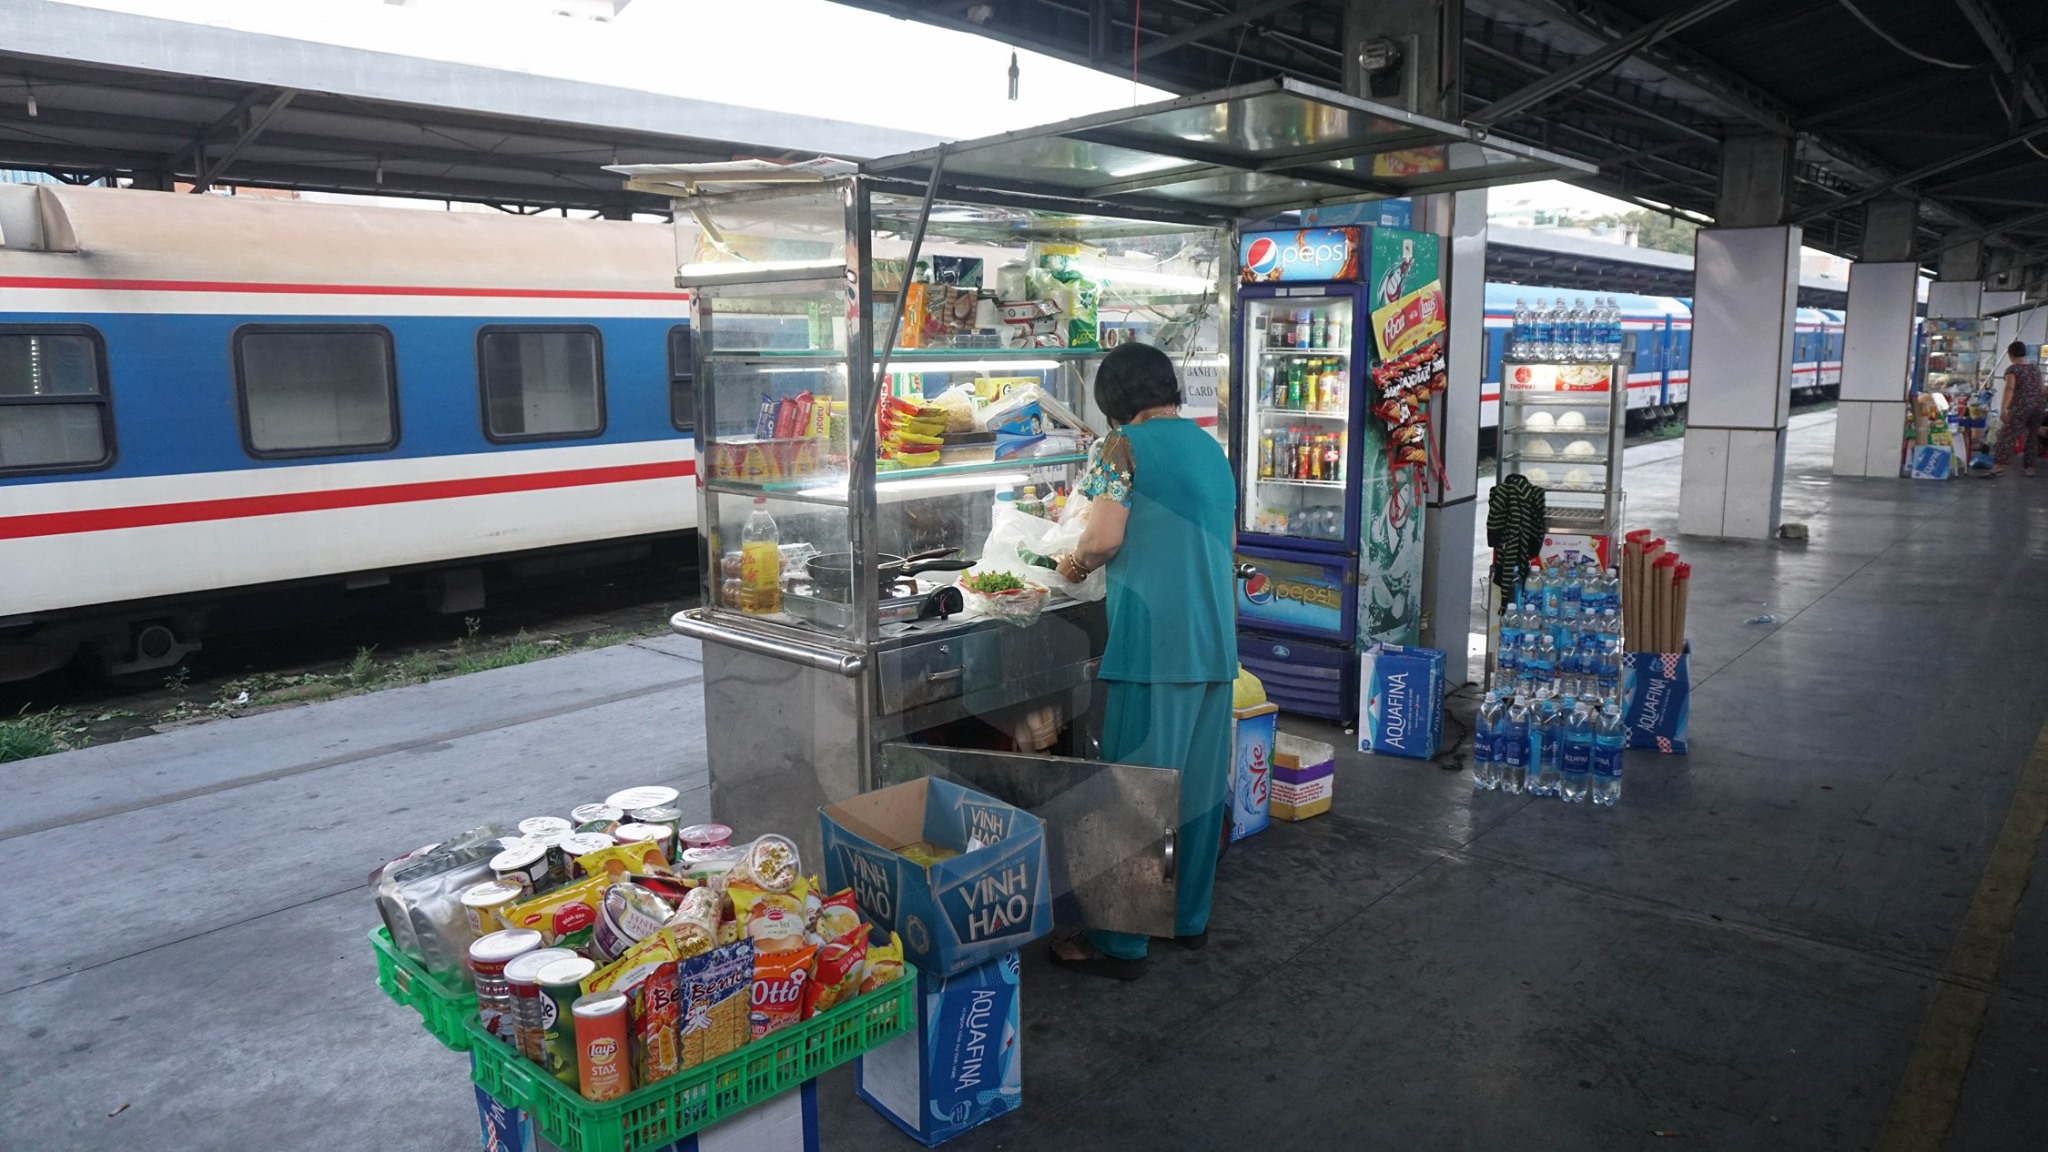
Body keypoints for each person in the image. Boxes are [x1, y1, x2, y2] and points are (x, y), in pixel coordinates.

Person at [1049, 342, 1237, 981]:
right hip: (1214, 642)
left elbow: (1102, 538)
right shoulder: (1209, 446)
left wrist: (1066, 567)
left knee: (1132, 795)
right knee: (1199, 792)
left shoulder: (1121, 448)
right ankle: (1189, 921)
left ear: (1113, 400)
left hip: (1153, 645)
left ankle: (1119, 943)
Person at [1991, 340, 2044, 478]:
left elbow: (2010, 389)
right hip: (2037, 406)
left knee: (2007, 435)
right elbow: (2042, 388)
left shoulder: (2013, 369)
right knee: (2032, 437)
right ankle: (2030, 468)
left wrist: (2004, 409)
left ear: (2010, 354)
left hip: (2020, 407)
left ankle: (1999, 466)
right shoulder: (2035, 368)